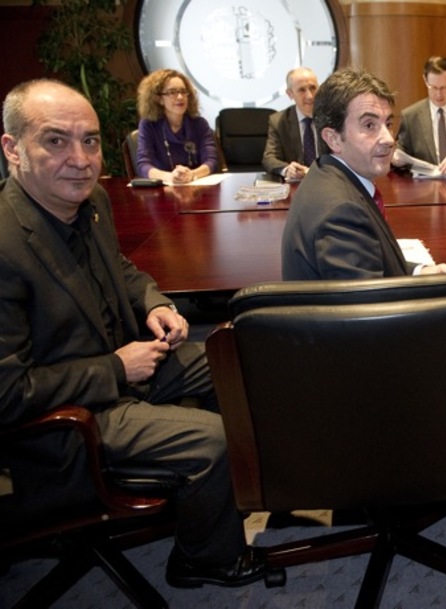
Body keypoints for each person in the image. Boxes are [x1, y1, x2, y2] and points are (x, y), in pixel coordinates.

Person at [0, 79, 268, 588]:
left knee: (236, 360)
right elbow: (7, 393)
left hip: (127, 364)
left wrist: (155, 302)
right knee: (211, 441)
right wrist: (116, 368)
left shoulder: (90, 199)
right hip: (70, 419)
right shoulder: (5, 245)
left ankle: (230, 494)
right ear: (13, 149)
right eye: (55, 141)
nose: (81, 159)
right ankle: (202, 558)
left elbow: (121, 269)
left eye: (91, 141)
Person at [282, 68, 446, 279]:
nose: (389, 139)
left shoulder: (326, 174)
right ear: (333, 138)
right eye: (369, 125)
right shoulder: (341, 212)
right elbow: (369, 308)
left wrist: (419, 271)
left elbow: (368, 262)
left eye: (388, 123)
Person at [135, 69, 219, 184]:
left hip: (196, 189)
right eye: (172, 92)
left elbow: (211, 161)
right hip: (162, 192)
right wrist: (168, 176)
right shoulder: (148, 125)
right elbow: (143, 165)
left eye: (183, 91)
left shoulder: (199, 124)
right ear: (159, 99)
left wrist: (192, 174)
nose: (180, 97)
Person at [262, 67, 321, 181]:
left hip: (327, 180)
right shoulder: (278, 121)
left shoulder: (331, 117)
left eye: (313, 88)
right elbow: (269, 158)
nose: (310, 96)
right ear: (290, 94)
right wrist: (287, 169)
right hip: (297, 184)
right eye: (302, 90)